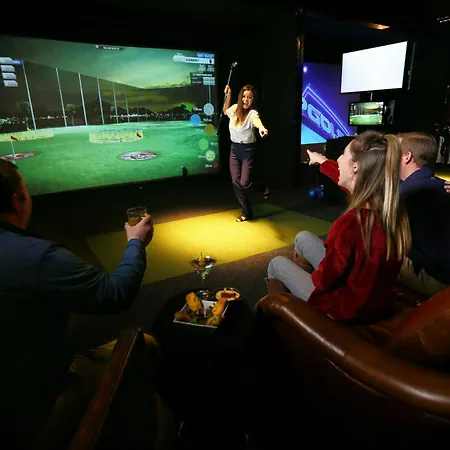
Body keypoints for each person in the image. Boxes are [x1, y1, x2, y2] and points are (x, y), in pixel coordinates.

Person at [0, 160, 158, 448]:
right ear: (16, 201)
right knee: (145, 345)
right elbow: (115, 294)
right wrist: (136, 242)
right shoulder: (38, 258)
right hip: (32, 410)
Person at [267, 131, 411, 322]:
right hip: (371, 300)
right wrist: (322, 162)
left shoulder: (350, 224)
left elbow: (324, 280)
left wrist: (317, 273)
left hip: (343, 308)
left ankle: (281, 322)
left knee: (276, 263)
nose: (338, 160)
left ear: (356, 168)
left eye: (343, 154)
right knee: (303, 237)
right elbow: (347, 181)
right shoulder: (390, 207)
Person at [309, 131, 450, 297]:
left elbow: (364, 190)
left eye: (392, 152)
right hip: (440, 269)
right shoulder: (436, 184)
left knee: (362, 260)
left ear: (407, 157)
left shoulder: (407, 193)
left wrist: (324, 163)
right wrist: (324, 163)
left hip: (434, 278)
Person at [223, 84, 269, 222]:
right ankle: (247, 213)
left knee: (243, 183)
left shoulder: (252, 113)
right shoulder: (234, 109)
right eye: (244, 96)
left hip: (248, 150)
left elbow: (257, 121)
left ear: (253, 100)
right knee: (236, 183)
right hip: (234, 150)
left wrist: (262, 128)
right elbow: (225, 111)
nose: (246, 100)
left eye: (249, 97)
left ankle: (262, 186)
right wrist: (229, 94)